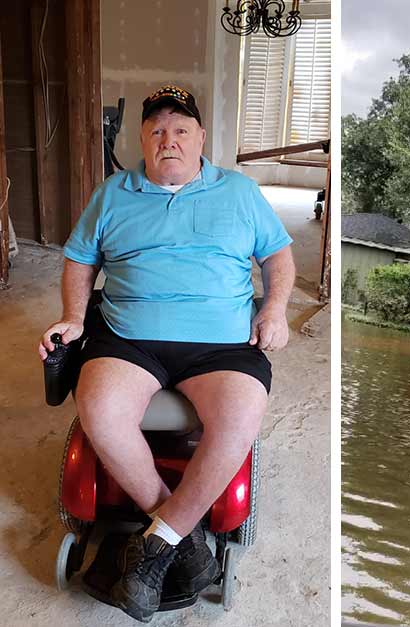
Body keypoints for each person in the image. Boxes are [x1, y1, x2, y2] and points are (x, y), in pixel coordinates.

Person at [37, 84, 295, 622]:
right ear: (142, 140)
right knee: (99, 409)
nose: (168, 139)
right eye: (156, 130)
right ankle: (184, 539)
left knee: (242, 415)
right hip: (130, 336)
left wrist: (274, 311)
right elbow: (80, 261)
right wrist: (74, 318)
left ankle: (155, 548)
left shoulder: (241, 192)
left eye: (181, 130)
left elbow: (278, 258)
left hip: (222, 342)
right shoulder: (112, 193)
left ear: (201, 138)